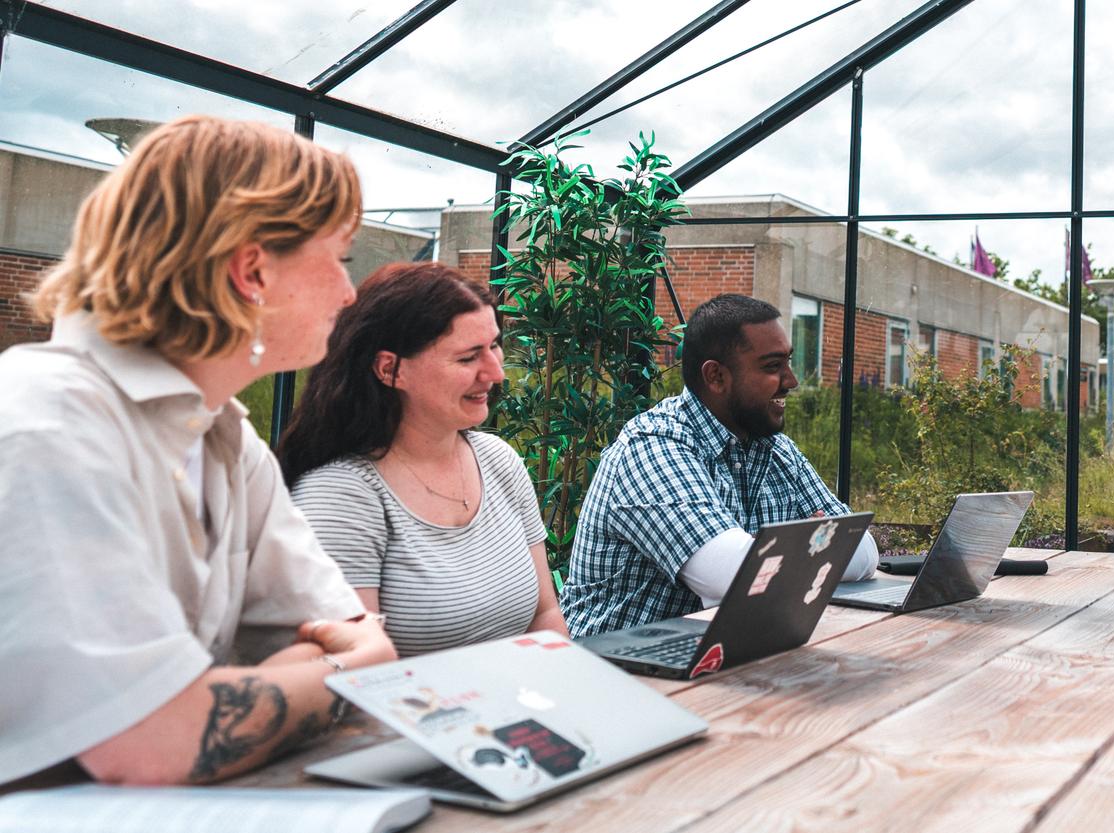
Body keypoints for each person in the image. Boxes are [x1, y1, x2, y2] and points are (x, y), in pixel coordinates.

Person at [0, 115, 395, 787]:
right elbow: (154, 743)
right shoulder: (47, 422)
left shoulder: (225, 439)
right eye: (340, 258)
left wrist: (231, 691)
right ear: (251, 271)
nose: (350, 291)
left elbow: (348, 630)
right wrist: (345, 671)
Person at [279, 262, 566, 657]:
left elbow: (545, 617)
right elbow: (357, 673)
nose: (496, 372)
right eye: (468, 358)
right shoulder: (341, 496)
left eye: (495, 346)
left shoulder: (498, 461)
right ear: (389, 369)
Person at [561, 294, 878, 636]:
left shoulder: (775, 449)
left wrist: (759, 555)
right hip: (613, 671)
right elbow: (733, 577)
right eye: (773, 366)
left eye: (787, 362)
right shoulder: (653, 447)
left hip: (711, 656)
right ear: (715, 377)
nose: (791, 381)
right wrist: (811, 547)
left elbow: (864, 551)